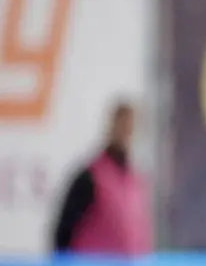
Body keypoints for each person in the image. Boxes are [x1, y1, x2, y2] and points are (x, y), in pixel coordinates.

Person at [52, 101, 153, 255]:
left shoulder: (136, 181)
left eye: (130, 128)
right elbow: (63, 233)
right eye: (122, 126)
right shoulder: (90, 178)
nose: (126, 133)